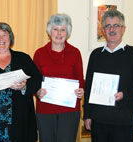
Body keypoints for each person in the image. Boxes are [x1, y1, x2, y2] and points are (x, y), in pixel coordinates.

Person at [83, 10, 133, 142]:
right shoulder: (96, 55)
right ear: (103, 30)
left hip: (124, 121)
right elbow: (89, 87)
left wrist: (125, 94)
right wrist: (87, 115)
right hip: (99, 121)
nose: (112, 29)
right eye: (108, 26)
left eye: (116, 25)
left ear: (123, 29)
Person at [33, 13, 85, 142]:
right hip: (45, 109)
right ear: (50, 31)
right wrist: (37, 91)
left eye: (63, 29)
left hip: (69, 110)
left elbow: (80, 79)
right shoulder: (40, 53)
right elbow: (34, 81)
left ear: (68, 32)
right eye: (55, 29)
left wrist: (81, 90)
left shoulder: (75, 53)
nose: (59, 33)